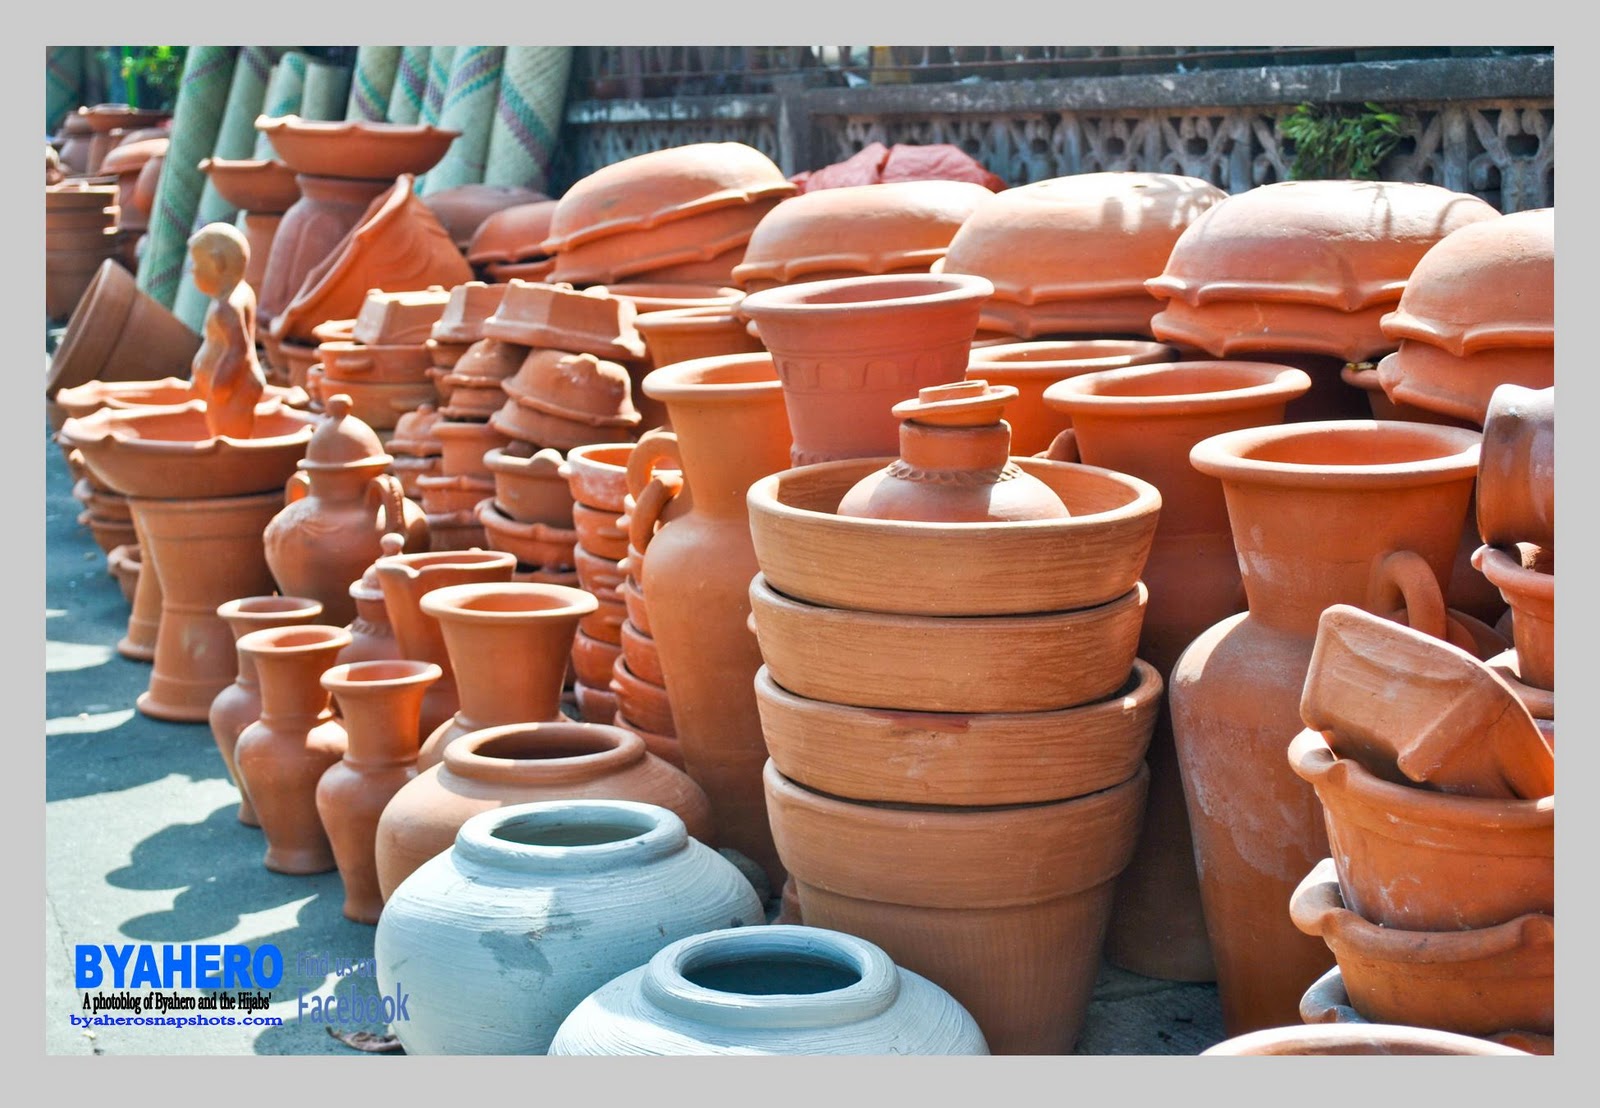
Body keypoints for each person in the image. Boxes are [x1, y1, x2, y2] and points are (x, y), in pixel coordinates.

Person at [188, 222, 265, 438]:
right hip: (232, 389)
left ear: (216, 263)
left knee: (228, 439)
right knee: (226, 434)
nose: (192, 270)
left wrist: (220, 386)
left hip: (233, 390)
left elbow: (237, 350)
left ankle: (233, 469)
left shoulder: (227, 307)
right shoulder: (240, 291)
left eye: (196, 263)